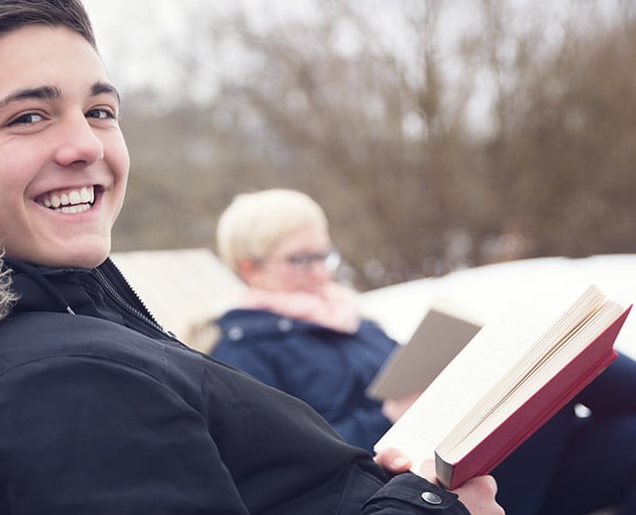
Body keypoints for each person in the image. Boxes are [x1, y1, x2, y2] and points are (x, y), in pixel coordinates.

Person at [0, 0, 503, 513]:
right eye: (28, 117)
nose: (86, 145)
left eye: (99, 111)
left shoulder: (52, 330)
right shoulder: (54, 385)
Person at [209, 188, 636, 515]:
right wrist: (389, 416)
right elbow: (292, 460)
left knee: (603, 414)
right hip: (422, 489)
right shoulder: (244, 353)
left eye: (324, 255)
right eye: (301, 260)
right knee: (541, 377)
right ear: (251, 267)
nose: (320, 272)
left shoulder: (352, 321)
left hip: (478, 460)